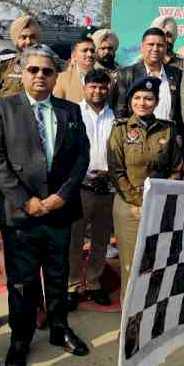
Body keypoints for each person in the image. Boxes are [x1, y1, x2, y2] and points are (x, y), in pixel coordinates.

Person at [0, 44, 91, 366]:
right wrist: (24, 199)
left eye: (47, 71)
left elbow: (81, 157)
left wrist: (63, 194)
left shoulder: (70, 111)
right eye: (33, 70)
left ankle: (60, 329)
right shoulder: (4, 109)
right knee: (22, 282)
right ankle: (20, 339)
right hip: (22, 215)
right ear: (22, 72)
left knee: (58, 276)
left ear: (56, 74)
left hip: (58, 210)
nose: (40, 76)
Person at [107, 76, 184, 301]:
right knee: (131, 264)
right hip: (129, 205)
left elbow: (177, 168)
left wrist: (157, 197)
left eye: (148, 98)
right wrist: (138, 200)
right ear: (131, 101)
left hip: (159, 204)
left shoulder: (168, 130)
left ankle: (153, 311)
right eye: (138, 98)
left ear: (157, 101)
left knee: (158, 260)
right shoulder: (120, 129)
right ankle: (129, 315)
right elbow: (116, 170)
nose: (142, 102)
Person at [67, 69, 115, 309]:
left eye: (103, 87)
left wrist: (110, 175)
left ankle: (94, 282)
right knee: (74, 239)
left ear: (109, 88)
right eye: (93, 87)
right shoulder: (72, 112)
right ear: (85, 87)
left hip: (107, 186)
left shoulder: (117, 115)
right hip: (80, 186)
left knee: (101, 239)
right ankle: (74, 285)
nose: (98, 91)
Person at [114, 28, 183, 128]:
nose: (155, 49)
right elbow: (121, 112)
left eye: (160, 45)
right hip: (137, 138)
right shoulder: (126, 74)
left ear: (165, 48)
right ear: (142, 47)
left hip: (169, 136)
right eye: (151, 44)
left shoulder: (177, 74)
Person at [0, 15, 41, 99]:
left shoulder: (50, 63)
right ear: (16, 39)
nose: (28, 42)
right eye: (23, 37)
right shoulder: (4, 62)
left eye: (33, 37)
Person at [53, 38, 98, 104]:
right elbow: (57, 107)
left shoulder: (107, 78)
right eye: (85, 50)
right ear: (74, 56)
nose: (90, 54)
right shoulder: (61, 78)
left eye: (92, 51)